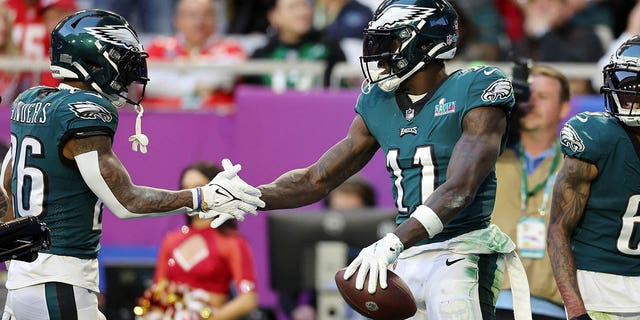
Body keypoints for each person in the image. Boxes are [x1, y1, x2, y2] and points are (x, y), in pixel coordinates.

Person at [237, 1, 532, 318]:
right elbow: (315, 180)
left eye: (390, 41)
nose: (379, 53)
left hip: (460, 251)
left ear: (424, 42)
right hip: (406, 254)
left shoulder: (475, 85)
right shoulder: (378, 98)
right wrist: (240, 196)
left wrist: (392, 242)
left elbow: (459, 188)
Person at [0, 9, 264, 319]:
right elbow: (127, 203)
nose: (129, 73)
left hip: (23, 280)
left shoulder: (32, 101)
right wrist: (203, 197)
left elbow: (7, 188)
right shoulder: (85, 110)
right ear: (95, 62)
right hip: (59, 282)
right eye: (123, 61)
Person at [548, 35, 640, 320]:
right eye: (625, 86)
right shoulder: (598, 138)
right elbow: (557, 230)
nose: (630, 96)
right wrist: (576, 311)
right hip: (599, 288)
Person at [493, 65, 571, 320]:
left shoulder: (578, 165)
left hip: (551, 307)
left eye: (544, 97)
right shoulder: (487, 155)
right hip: (489, 301)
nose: (532, 104)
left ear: (564, 108)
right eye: (527, 96)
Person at [139, 161, 259, 320]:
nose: (191, 195)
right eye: (185, 189)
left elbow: (248, 300)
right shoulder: (171, 240)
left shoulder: (232, 243)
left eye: (198, 188)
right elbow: (157, 291)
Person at [144, 0, 246, 112]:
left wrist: (176, 71)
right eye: (192, 15)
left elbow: (225, 76)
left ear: (216, 19)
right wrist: (197, 85)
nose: (199, 22)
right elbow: (146, 82)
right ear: (177, 20)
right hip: (161, 119)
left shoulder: (231, 48)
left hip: (214, 121)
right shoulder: (158, 46)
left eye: (206, 14)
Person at [249, 0, 346, 90]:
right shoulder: (262, 55)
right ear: (274, 15)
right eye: (293, 7)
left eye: (305, 5)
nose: (302, 12)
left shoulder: (329, 49)